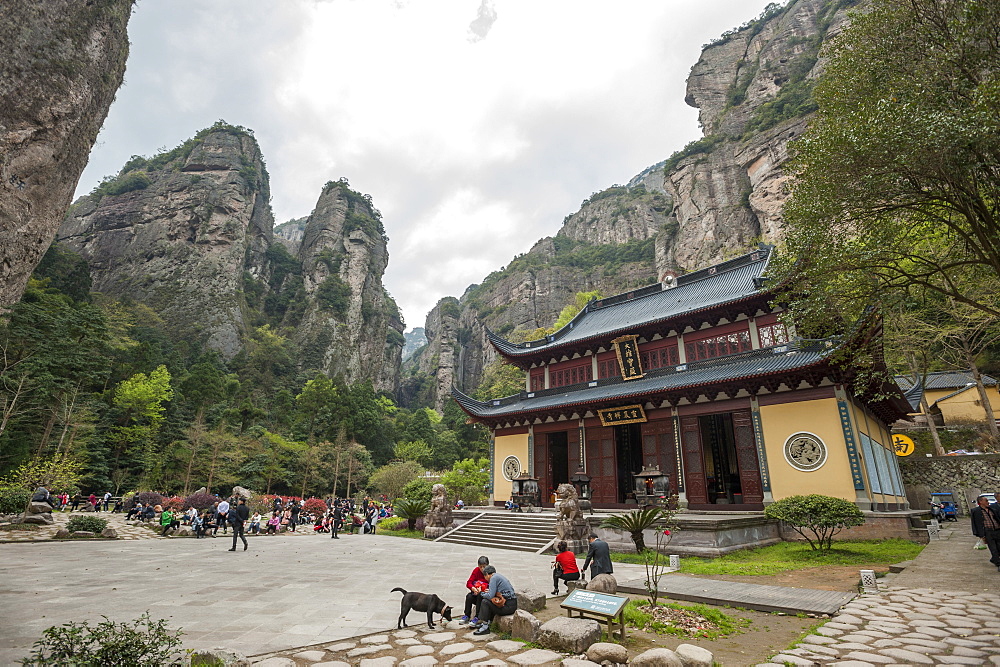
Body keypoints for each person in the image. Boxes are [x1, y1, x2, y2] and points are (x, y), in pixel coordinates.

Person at [473, 566, 517, 635]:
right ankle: (488, 622)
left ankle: (485, 627)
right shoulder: (497, 576)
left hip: (507, 607)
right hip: (511, 604)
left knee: (485, 602)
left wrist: (481, 593)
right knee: (487, 600)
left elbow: (490, 595)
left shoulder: (493, 578)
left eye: (485, 576)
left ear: (487, 574)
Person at [971, 496, 1000, 571]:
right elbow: (975, 523)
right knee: (993, 548)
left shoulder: (992, 510)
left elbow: (997, 519)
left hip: (997, 530)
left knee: (999, 547)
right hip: (987, 532)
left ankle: (995, 559)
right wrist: (980, 535)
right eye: (986, 501)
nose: (988, 502)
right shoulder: (976, 511)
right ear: (981, 502)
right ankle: (998, 563)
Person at [461, 556, 489, 625]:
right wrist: (473, 588)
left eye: (484, 567)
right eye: (480, 567)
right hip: (476, 593)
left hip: (484, 596)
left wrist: (483, 589)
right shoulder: (476, 571)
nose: (482, 569)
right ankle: (467, 615)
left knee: (480, 595)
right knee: (469, 596)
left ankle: (477, 617)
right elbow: (469, 582)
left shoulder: (490, 572)